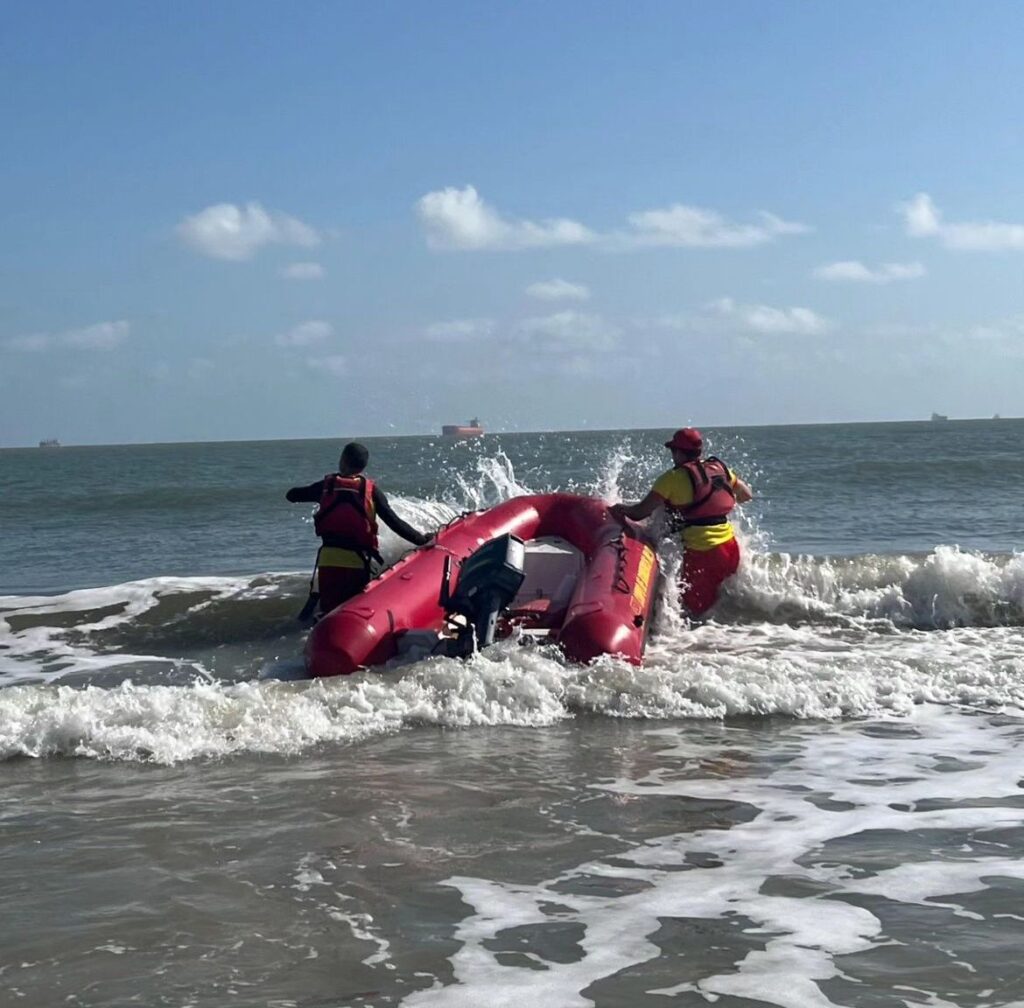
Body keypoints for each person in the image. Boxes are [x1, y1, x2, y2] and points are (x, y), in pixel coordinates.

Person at [609, 427, 753, 617]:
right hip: (730, 547)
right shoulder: (720, 468)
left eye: (673, 451)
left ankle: (694, 643)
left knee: (695, 612)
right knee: (720, 608)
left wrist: (618, 509)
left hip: (704, 553)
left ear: (678, 452)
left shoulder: (672, 479)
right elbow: (746, 495)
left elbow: (639, 513)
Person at [287, 442, 431, 616]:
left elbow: (292, 496)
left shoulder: (326, 486)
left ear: (343, 460)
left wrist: (317, 489)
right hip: (356, 563)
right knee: (349, 613)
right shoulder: (371, 492)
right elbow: (395, 524)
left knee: (327, 614)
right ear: (363, 466)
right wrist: (423, 541)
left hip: (328, 562)